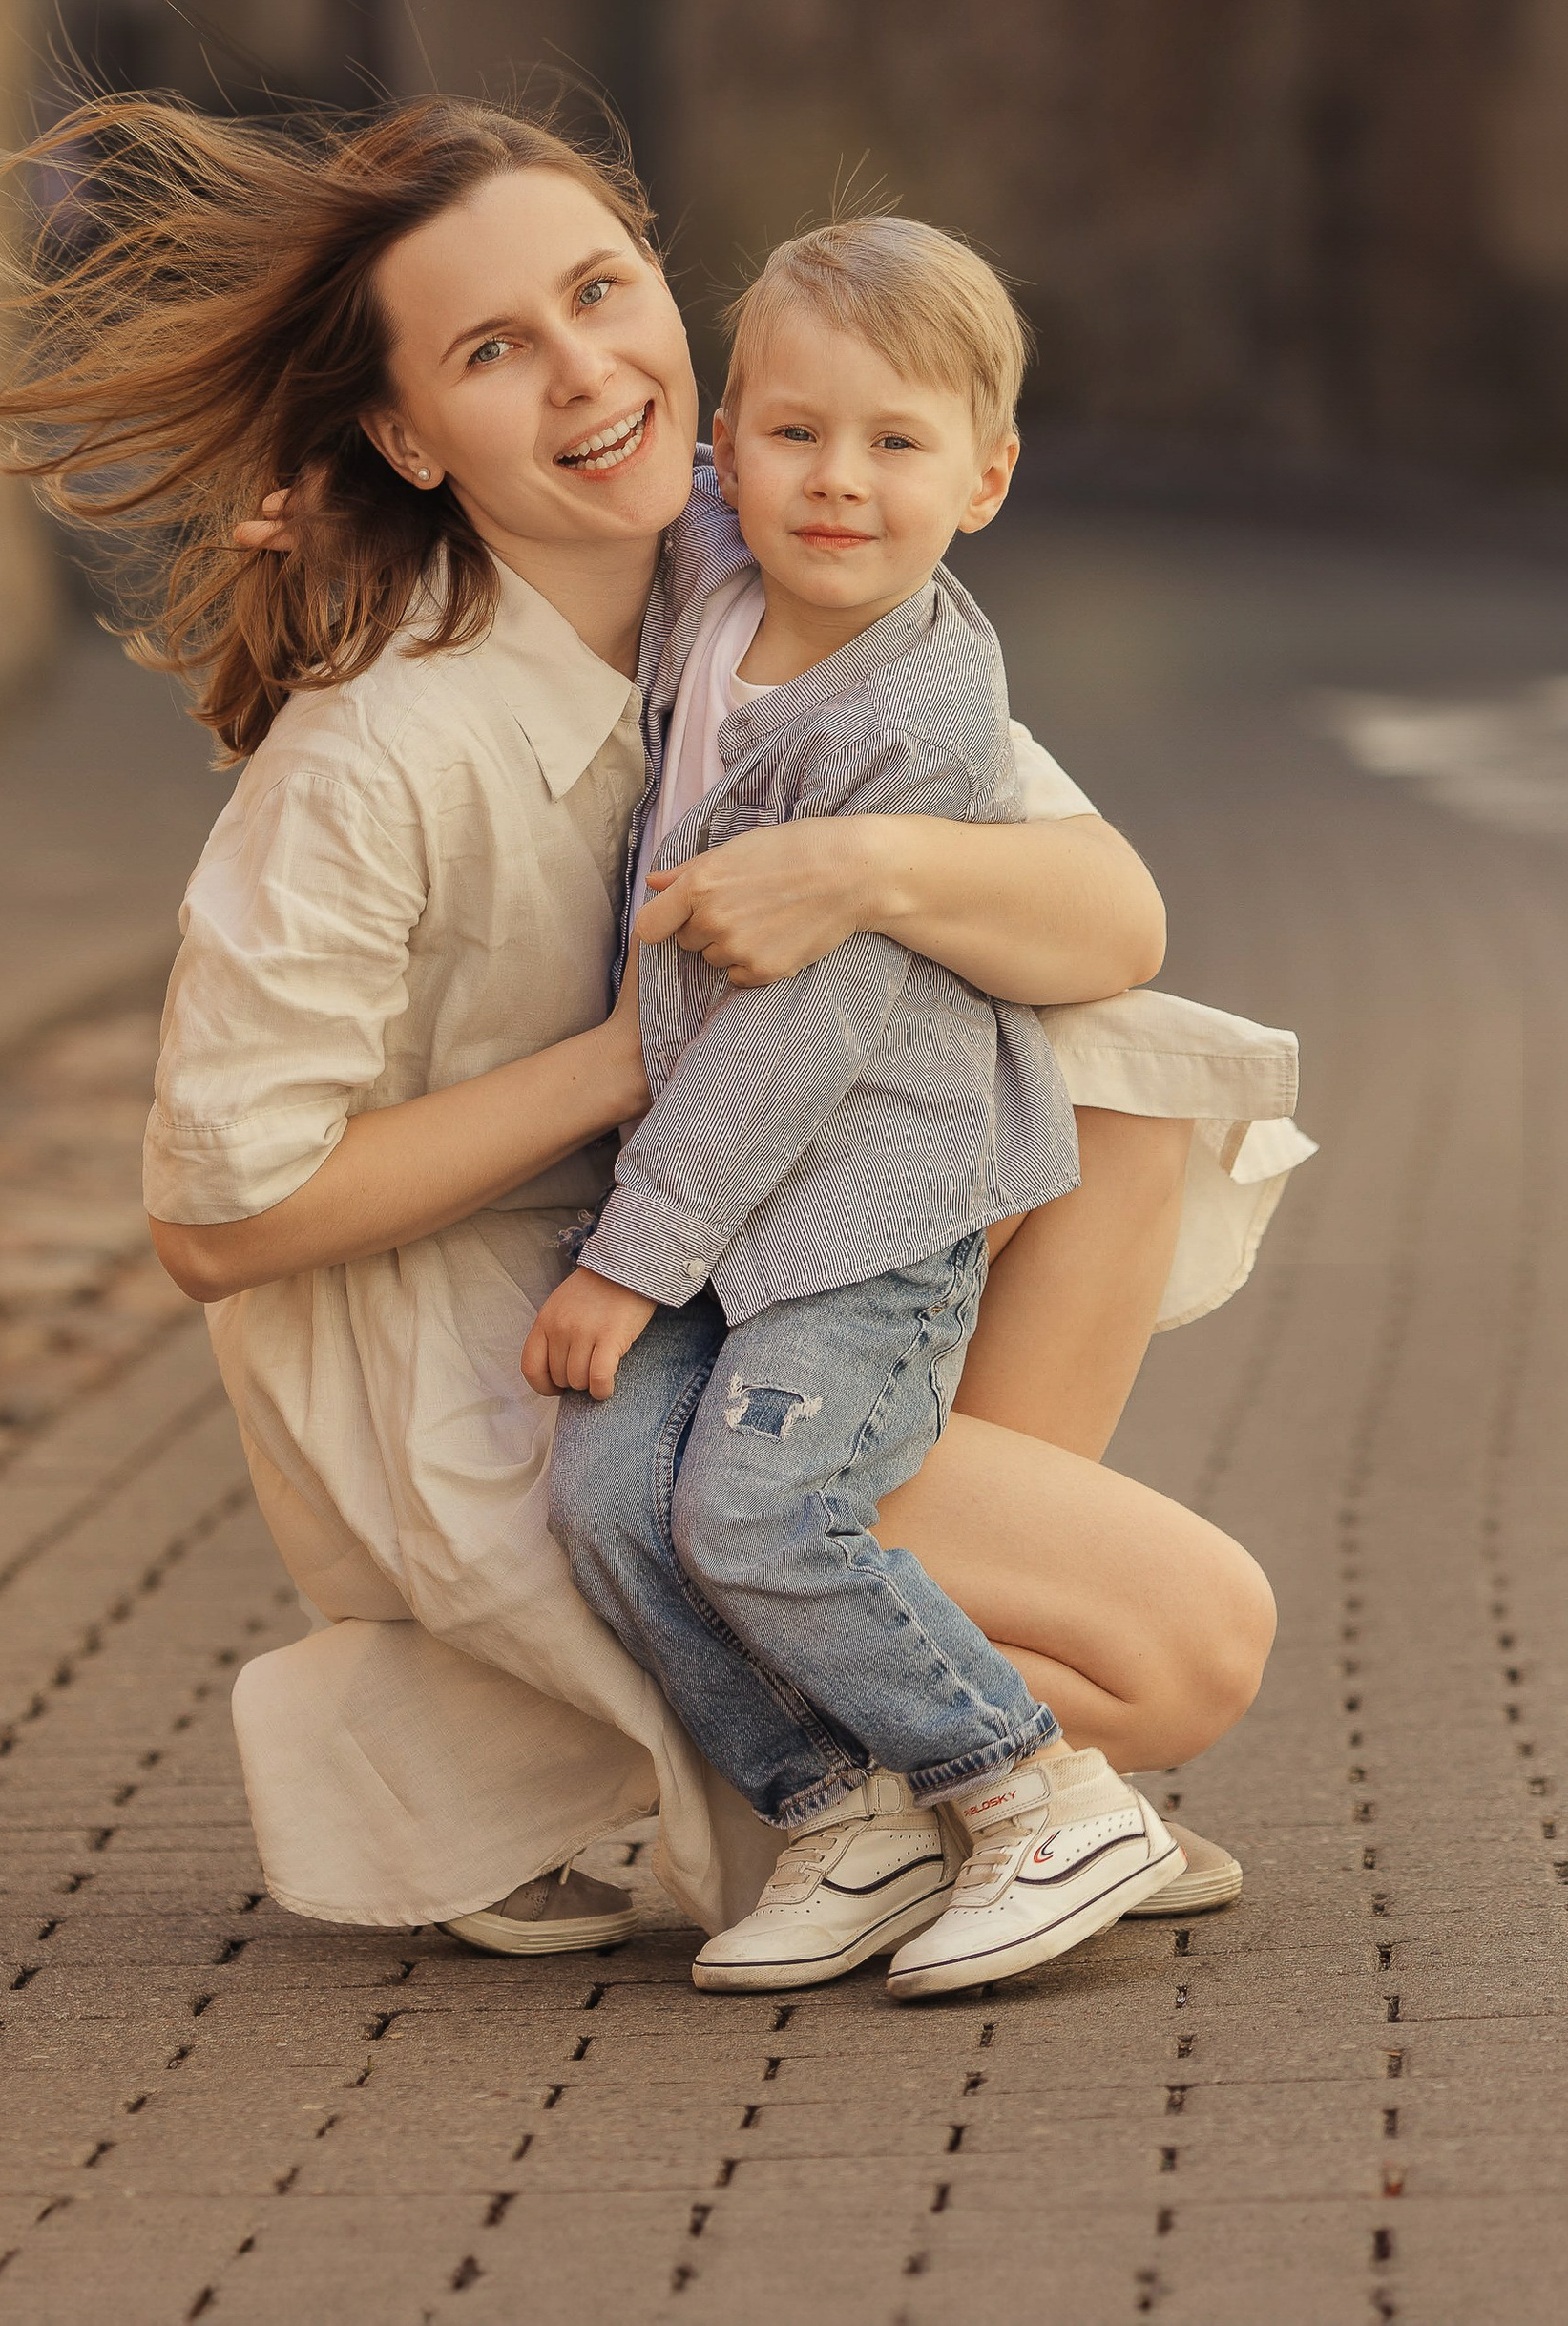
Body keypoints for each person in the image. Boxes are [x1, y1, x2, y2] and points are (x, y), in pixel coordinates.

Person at [0, 92, 1287, 1954]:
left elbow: (1109, 922)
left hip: (719, 1269)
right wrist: (637, 1053)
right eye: (495, 349)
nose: (586, 371)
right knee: (1181, 1650)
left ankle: (865, 1735)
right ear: (406, 431)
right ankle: (648, 1733)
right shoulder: (372, 755)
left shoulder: (761, 593)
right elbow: (215, 1218)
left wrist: (860, 873)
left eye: (601, 288)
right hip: (520, 1354)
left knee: (1124, 1081)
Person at [538, 215, 1185, 1998]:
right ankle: (844, 1812)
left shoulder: (915, 715)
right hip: (713, 1192)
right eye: (797, 434)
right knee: (603, 1494)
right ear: (728, 447)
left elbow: (791, 1041)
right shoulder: (719, 558)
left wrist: (627, 1257)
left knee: (760, 1509)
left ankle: (1036, 1795)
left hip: (856, 1211)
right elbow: (551, 492)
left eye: (898, 446)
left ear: (984, 482)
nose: (840, 484)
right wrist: (338, 527)